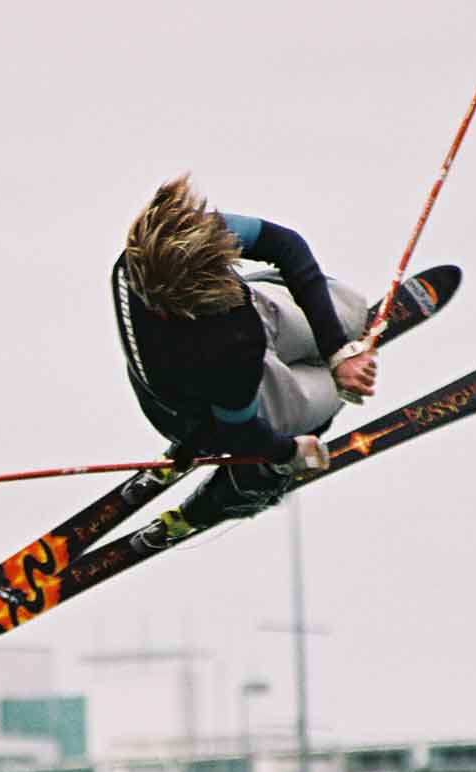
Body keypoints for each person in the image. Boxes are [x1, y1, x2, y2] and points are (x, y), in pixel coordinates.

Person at [111, 174, 378, 546]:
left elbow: (284, 243)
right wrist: (291, 451)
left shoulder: (136, 259)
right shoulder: (231, 347)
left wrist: (337, 350)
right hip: (207, 411)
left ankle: (322, 345)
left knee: (351, 313)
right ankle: (244, 487)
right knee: (332, 392)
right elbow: (241, 431)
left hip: (225, 347)